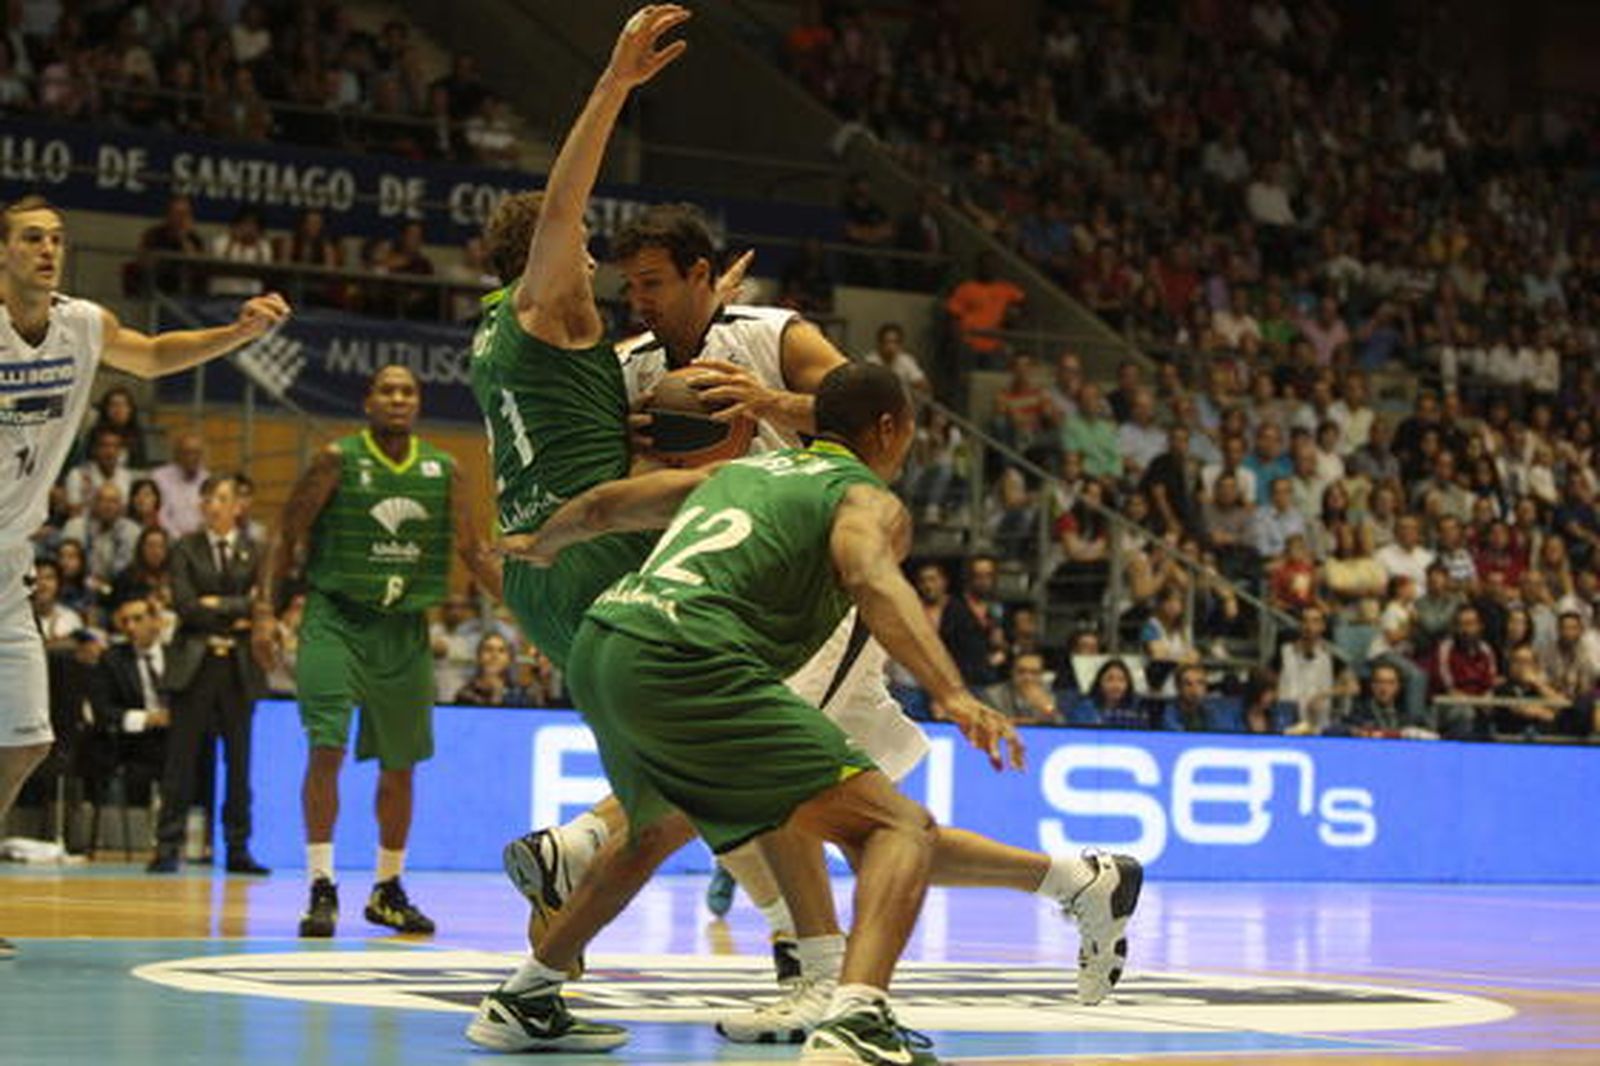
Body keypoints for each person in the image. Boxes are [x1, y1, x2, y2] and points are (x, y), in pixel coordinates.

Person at [466, 10, 1139, 1053]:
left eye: (650, 280)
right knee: (805, 807)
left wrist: (753, 406)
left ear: (701, 276)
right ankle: (967, 926)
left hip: (755, 598)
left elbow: (861, 415)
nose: (626, 290)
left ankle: (597, 905)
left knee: (752, 804)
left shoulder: (766, 334)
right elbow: (640, 483)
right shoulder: (630, 355)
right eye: (622, 276)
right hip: (709, 600)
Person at [490, 362, 1137, 1064]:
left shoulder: (740, 471)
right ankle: (860, 1015)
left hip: (605, 642)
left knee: (654, 832)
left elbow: (604, 508)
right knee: (898, 827)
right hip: (694, 654)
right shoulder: (862, 495)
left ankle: (526, 994)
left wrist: (537, 546)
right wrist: (951, 691)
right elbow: (867, 574)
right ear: (891, 429)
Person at [0, 194, 287, 955]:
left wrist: (236, 331)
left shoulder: (83, 326)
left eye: (57, 239)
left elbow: (155, 354)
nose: (47, 250)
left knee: (25, 741)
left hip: (9, 563)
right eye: (31, 239)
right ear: (2, 252)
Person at [252, 365, 498, 937]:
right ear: (368, 402)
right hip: (335, 617)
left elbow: (474, 550)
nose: (397, 398)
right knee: (327, 748)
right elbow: (286, 535)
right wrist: (264, 613)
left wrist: (537, 620)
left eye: (408, 391)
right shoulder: (336, 459)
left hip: (405, 627)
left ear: (418, 403)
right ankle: (320, 884)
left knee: (401, 766)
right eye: (386, 390)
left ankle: (387, 889)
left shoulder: (447, 469)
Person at [149, 476, 270, 876]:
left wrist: (217, 603)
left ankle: (237, 847)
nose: (211, 504)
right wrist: (235, 608)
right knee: (180, 761)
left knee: (239, 762)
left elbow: (261, 606)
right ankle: (168, 845)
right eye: (207, 497)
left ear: (238, 505)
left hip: (238, 667)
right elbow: (185, 606)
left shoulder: (255, 551)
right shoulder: (185, 547)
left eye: (220, 498)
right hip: (194, 665)